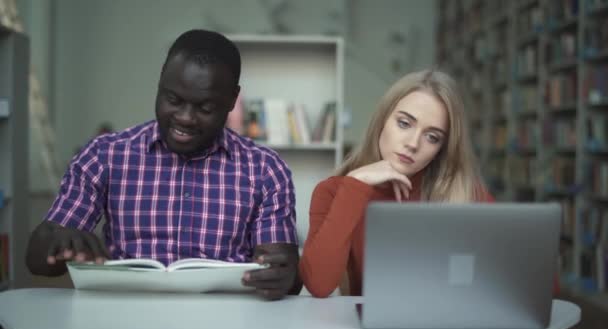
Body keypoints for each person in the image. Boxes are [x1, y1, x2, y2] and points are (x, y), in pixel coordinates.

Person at [26, 29, 301, 300]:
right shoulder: (103, 156)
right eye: (173, 100)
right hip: (123, 321)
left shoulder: (265, 170)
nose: (185, 118)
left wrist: (285, 275)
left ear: (232, 99)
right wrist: (57, 243)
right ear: (160, 80)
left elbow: (283, 274)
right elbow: (36, 261)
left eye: (204, 108)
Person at [299, 69, 495, 298]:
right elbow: (318, 285)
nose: (413, 144)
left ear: (441, 150)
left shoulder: (465, 193)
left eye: (432, 137)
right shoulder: (335, 191)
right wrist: (356, 184)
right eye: (404, 123)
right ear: (382, 120)